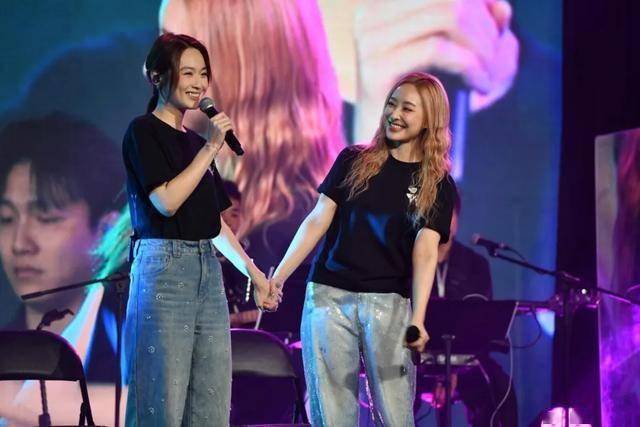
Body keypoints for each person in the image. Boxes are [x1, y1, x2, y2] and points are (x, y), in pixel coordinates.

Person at [271, 72, 455, 426]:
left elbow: (425, 251)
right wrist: (278, 277)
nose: (394, 114)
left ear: (429, 120)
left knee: (396, 415)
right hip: (329, 297)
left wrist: (418, 319)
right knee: (332, 414)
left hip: (388, 305)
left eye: (407, 108)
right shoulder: (354, 160)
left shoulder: (437, 184)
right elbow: (318, 219)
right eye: (391, 104)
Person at [121, 33, 279, 426]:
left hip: (206, 272)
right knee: (161, 402)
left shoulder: (195, 142)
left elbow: (215, 225)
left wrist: (255, 274)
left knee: (210, 401)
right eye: (187, 72)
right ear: (158, 76)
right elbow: (166, 202)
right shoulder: (143, 131)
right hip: (164, 269)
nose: (198, 83)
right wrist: (211, 148)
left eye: (203, 73)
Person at [159, 0, 346, 274]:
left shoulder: (299, 228)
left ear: (238, 62)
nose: (153, 69)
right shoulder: (170, 166)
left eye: (173, 50)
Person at [0, 113, 124, 425]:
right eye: (6, 219)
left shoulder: (139, 341)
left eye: (46, 218)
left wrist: (14, 405)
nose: (19, 243)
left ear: (106, 231)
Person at [425, 187, 518, 426]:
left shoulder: (476, 264)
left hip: (466, 359)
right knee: (394, 390)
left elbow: (482, 325)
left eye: (450, 213)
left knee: (500, 388)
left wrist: (454, 371)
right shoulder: (408, 261)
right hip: (418, 360)